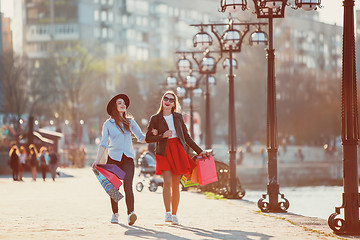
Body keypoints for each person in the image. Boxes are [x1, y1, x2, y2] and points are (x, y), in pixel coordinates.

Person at [145, 90, 208, 225]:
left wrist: (200, 151)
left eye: (171, 99)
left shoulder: (178, 117)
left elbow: (186, 137)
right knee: (166, 181)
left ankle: (174, 215)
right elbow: (148, 138)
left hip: (177, 151)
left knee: (175, 184)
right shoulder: (155, 118)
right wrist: (162, 135)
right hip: (163, 152)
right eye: (165, 99)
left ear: (174, 104)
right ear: (162, 101)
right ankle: (167, 213)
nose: (167, 101)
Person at [92, 93, 146, 225]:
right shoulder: (108, 124)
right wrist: (97, 160)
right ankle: (115, 214)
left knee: (128, 186)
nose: (123, 105)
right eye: (120, 103)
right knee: (113, 188)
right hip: (113, 160)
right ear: (114, 108)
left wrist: (155, 133)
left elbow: (141, 138)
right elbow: (104, 143)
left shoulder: (131, 122)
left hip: (127, 159)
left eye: (124, 103)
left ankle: (130, 214)